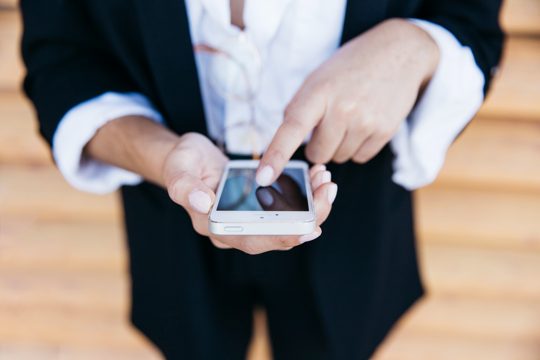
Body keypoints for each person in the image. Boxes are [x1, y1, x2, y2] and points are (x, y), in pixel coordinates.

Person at [21, 0, 503, 358]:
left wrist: (415, 46)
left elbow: (474, 23)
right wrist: (165, 158)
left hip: (355, 218)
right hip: (171, 216)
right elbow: (60, 61)